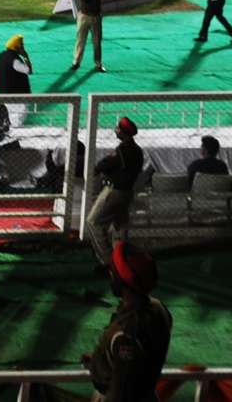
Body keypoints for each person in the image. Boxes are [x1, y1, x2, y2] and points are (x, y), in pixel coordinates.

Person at [82, 242, 172, 402]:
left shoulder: (126, 333)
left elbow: (122, 391)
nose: (110, 275)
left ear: (122, 282)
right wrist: (101, 362)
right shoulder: (159, 309)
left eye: (112, 273)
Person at [85, 117, 144, 267]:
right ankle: (121, 260)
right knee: (120, 228)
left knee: (93, 223)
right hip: (127, 193)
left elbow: (104, 165)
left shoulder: (122, 151)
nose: (115, 130)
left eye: (118, 128)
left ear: (123, 133)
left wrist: (99, 169)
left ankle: (108, 261)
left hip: (115, 192)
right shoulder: (137, 151)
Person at [68, 0, 107, 73]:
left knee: (97, 41)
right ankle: (76, 62)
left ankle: (98, 63)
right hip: (84, 16)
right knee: (80, 40)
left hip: (96, 17)